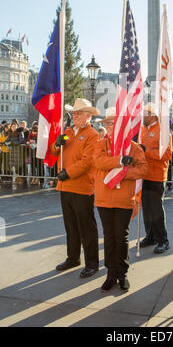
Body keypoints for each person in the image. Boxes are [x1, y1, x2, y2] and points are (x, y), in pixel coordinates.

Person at [93, 107, 148, 292]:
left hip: (124, 198)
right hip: (104, 198)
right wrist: (119, 161)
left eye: (111, 123)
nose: (108, 127)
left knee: (121, 236)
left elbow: (142, 169)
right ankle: (111, 273)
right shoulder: (101, 144)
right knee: (108, 237)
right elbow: (99, 162)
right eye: (106, 124)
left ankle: (122, 273)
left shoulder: (134, 147)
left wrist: (124, 173)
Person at [49, 98, 100, 279]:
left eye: (78, 113)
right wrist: (57, 144)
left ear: (87, 116)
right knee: (70, 226)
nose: (75, 115)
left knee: (86, 227)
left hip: (81, 186)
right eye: (74, 113)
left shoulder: (93, 135)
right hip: (66, 186)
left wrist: (67, 173)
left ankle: (92, 263)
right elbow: (55, 152)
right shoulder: (69, 131)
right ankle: (73, 258)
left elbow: (87, 162)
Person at [140, 103, 172, 254]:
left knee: (156, 209)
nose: (143, 116)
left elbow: (166, 155)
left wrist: (146, 152)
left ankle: (163, 241)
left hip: (157, 175)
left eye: (145, 113)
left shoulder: (163, 131)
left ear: (153, 115)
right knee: (147, 208)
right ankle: (150, 236)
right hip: (144, 174)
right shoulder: (143, 130)